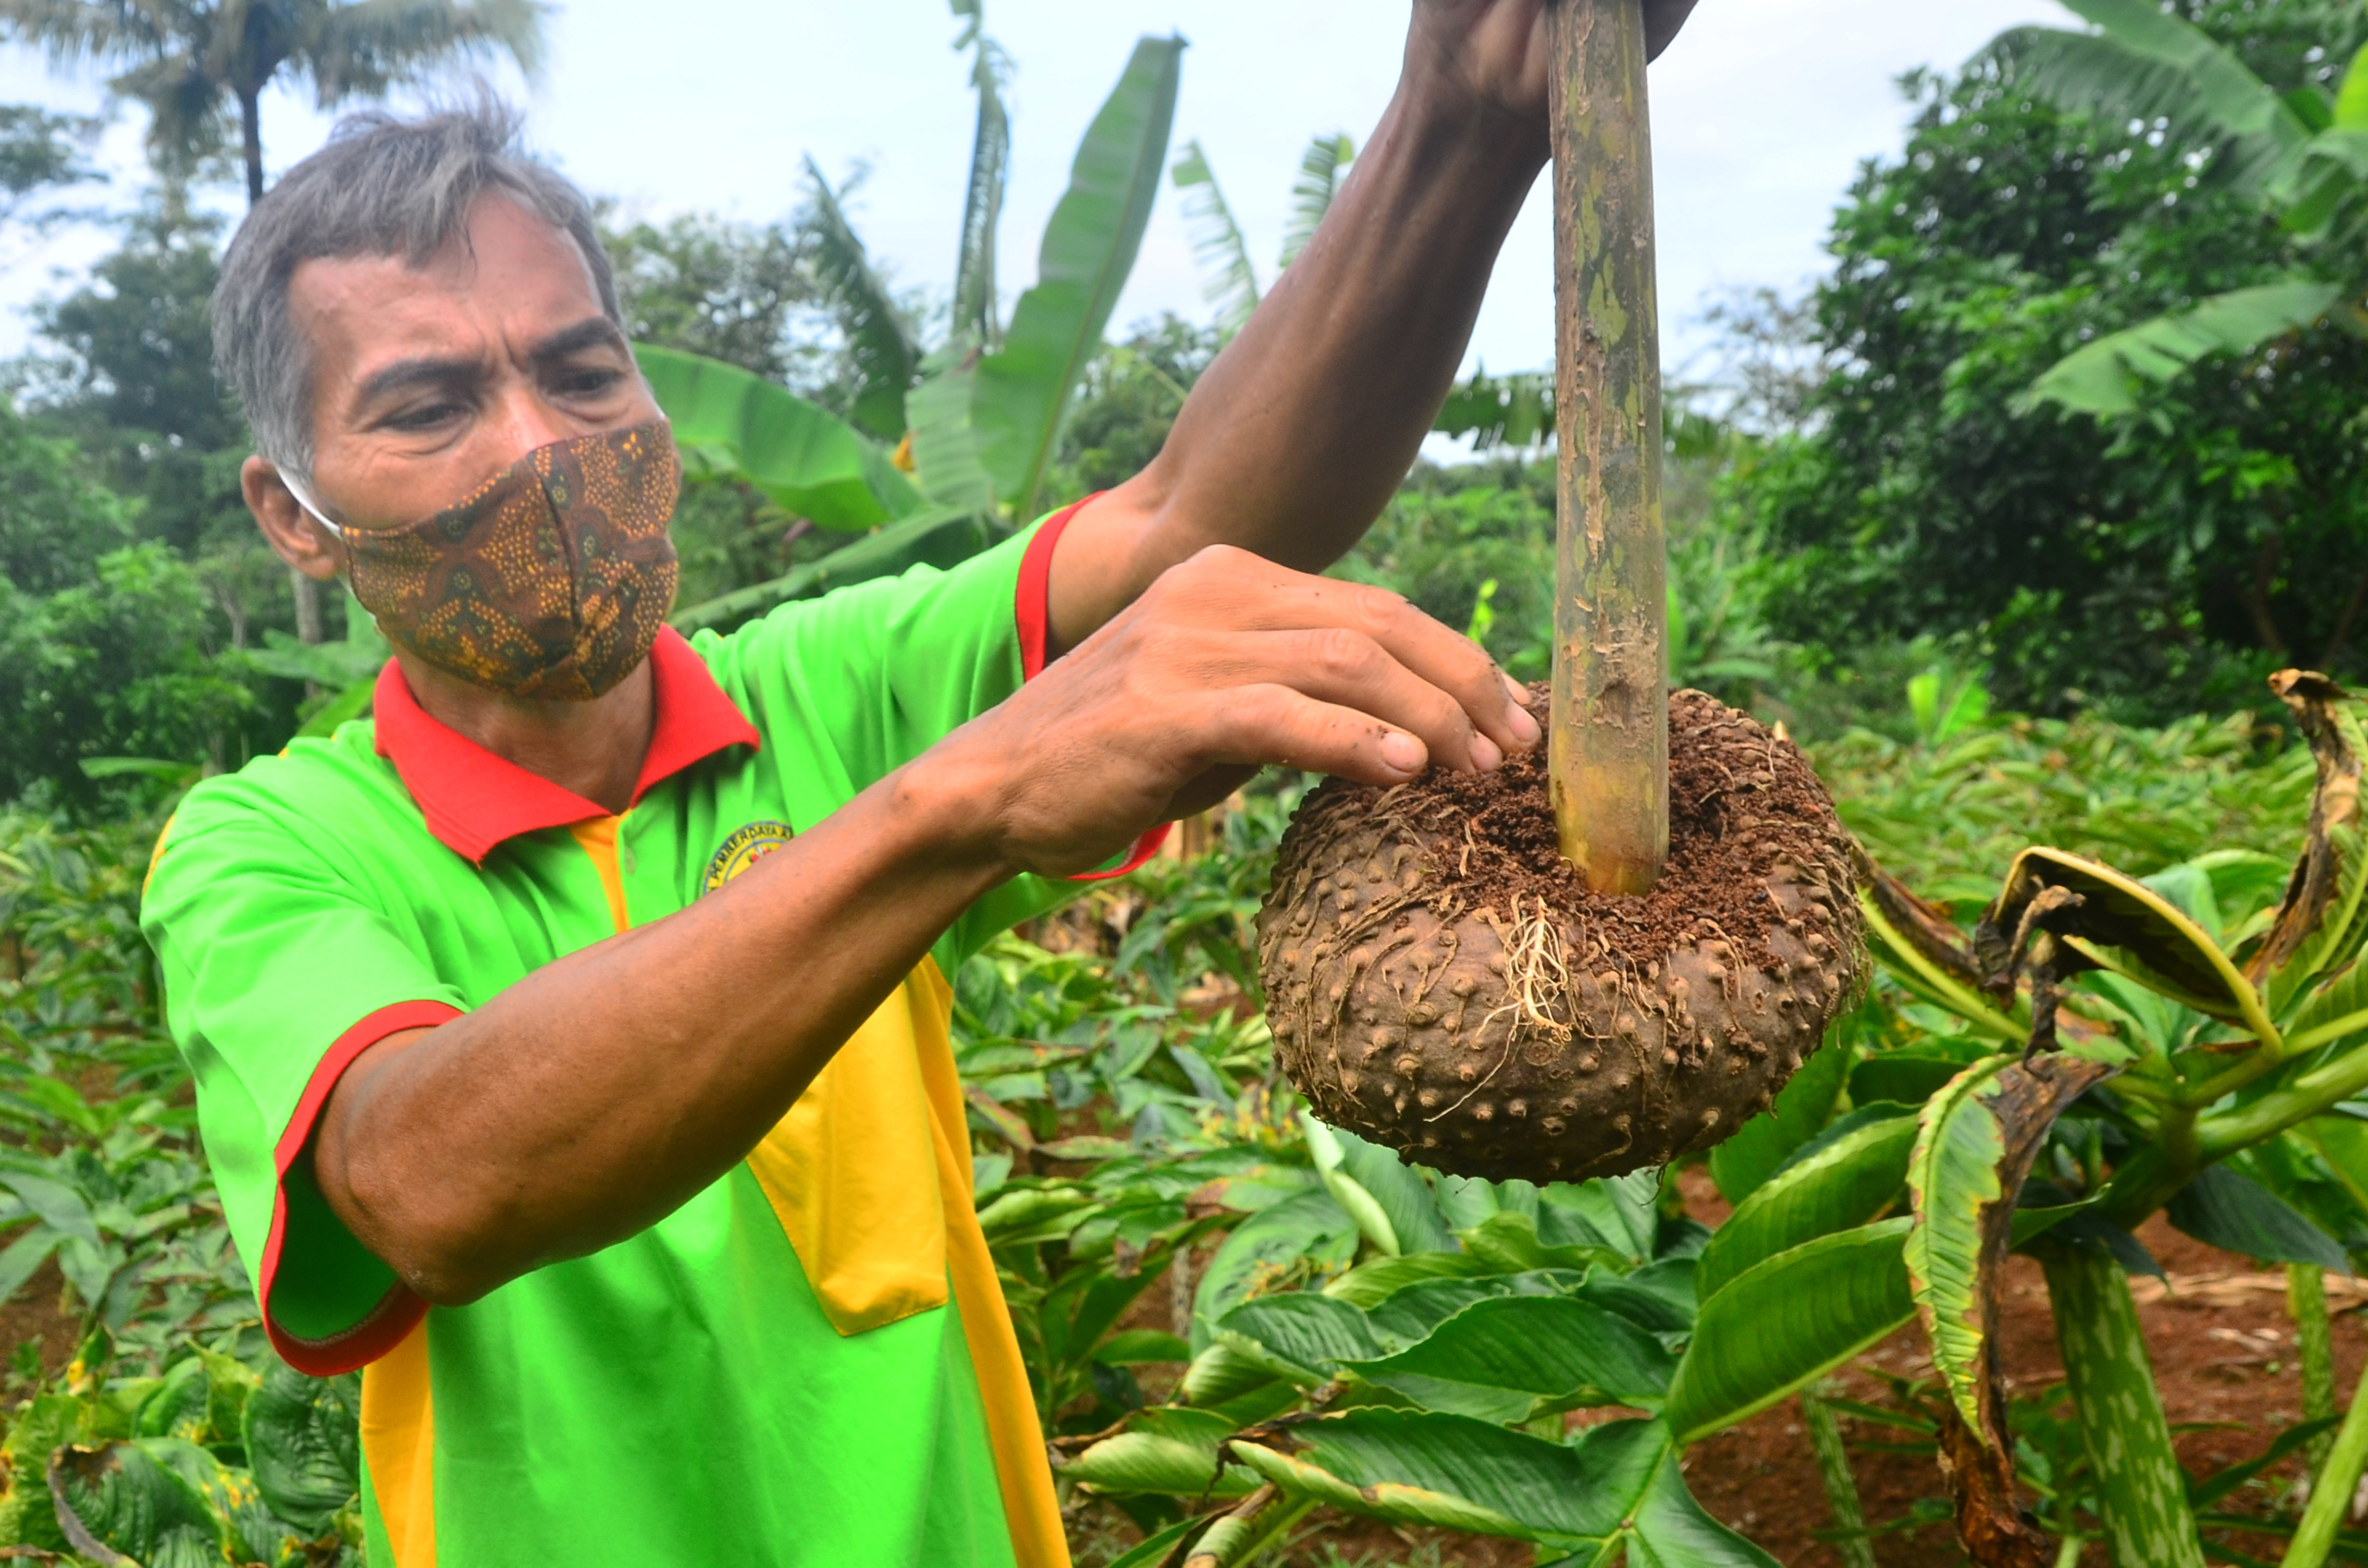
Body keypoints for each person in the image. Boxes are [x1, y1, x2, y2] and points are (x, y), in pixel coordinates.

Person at [141, 1, 1703, 1562]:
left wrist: (1462, 120)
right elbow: (425, 1181)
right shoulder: (270, 844)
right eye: (429, 407)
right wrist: (961, 799)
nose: (539, 449)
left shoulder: (824, 688)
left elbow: (1191, 527)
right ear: (292, 516)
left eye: (584, 372)